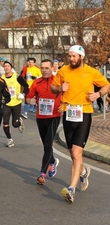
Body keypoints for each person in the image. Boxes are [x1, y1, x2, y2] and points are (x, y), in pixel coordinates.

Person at [51, 45, 110, 203]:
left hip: (84, 113)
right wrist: (59, 88)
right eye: (69, 56)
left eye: (74, 56)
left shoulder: (91, 72)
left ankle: (71, 189)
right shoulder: (64, 71)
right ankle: (83, 171)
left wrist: (98, 94)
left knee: (77, 152)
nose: (71, 59)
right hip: (68, 113)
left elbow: (106, 85)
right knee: (72, 153)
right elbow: (53, 87)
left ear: (81, 57)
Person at [26, 59, 61, 185]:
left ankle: (42, 173)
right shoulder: (37, 82)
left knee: (47, 145)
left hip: (54, 116)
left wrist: (64, 105)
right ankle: (52, 161)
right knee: (45, 144)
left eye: (47, 68)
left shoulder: (58, 81)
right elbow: (29, 97)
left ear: (52, 68)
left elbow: (67, 95)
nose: (44, 70)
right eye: (42, 68)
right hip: (41, 117)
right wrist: (30, 101)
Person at [1, 60, 29, 147]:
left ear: (11, 67)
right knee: (5, 122)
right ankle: (10, 140)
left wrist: (23, 94)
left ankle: (19, 122)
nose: (6, 68)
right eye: (5, 66)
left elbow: (26, 86)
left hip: (16, 102)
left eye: (8, 66)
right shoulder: (2, 78)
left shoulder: (17, 77)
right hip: (6, 103)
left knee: (14, 124)